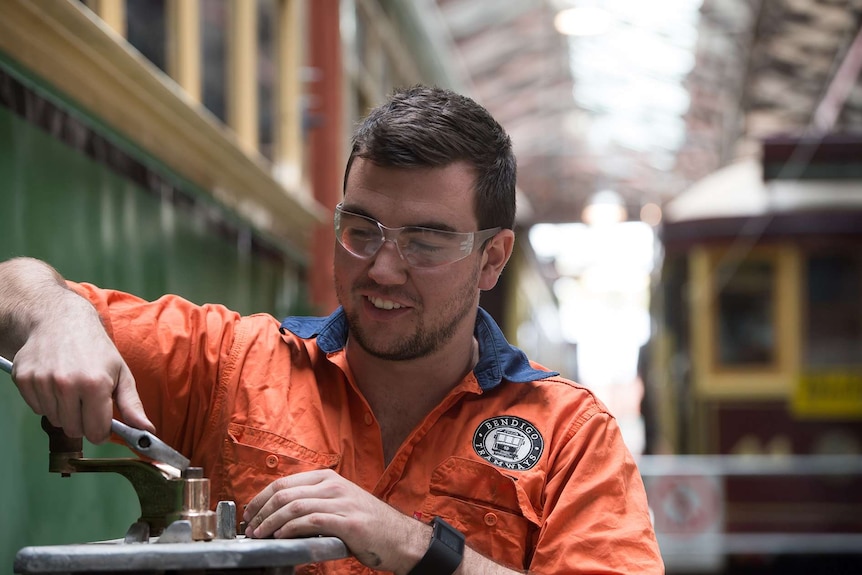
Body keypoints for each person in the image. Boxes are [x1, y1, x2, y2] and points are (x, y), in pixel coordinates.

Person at [0, 85, 663, 574]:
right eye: (361, 229)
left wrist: (414, 544)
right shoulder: (232, 361)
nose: (381, 268)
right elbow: (13, 288)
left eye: (425, 242)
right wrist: (58, 313)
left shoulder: (572, 438)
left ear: (492, 258)